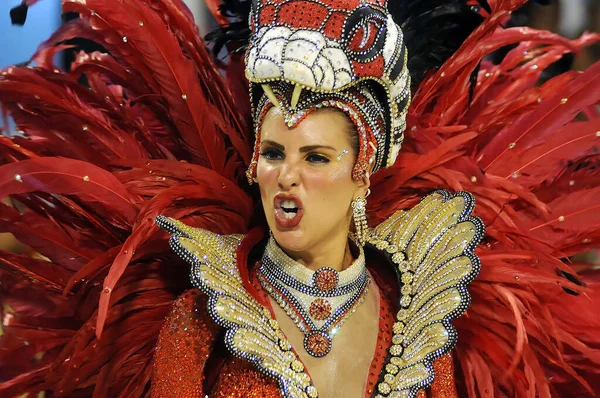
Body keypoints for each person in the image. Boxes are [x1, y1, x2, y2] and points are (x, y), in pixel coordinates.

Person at [0, 0, 599, 397]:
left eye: (315, 158)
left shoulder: (418, 321)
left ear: (364, 169)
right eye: (273, 153)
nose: (286, 176)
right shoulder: (205, 311)